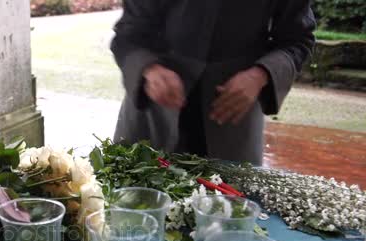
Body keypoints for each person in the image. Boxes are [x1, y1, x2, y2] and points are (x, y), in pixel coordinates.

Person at [111, 0, 316, 165]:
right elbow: (127, 35)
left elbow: (298, 40)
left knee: (229, 211)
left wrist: (259, 75)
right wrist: (148, 68)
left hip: (233, 119)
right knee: (132, 205)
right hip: (152, 116)